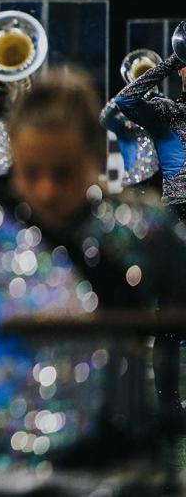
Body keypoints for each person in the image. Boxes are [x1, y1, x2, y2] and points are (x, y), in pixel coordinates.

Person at [0, 68, 180, 468]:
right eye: (30, 172)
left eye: (63, 173)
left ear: (96, 156)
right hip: (10, 448)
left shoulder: (143, 226)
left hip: (120, 449)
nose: (46, 189)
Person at [115, 53, 186, 427]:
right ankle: (169, 406)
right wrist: (173, 60)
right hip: (180, 216)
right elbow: (126, 100)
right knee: (172, 317)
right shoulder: (165, 110)